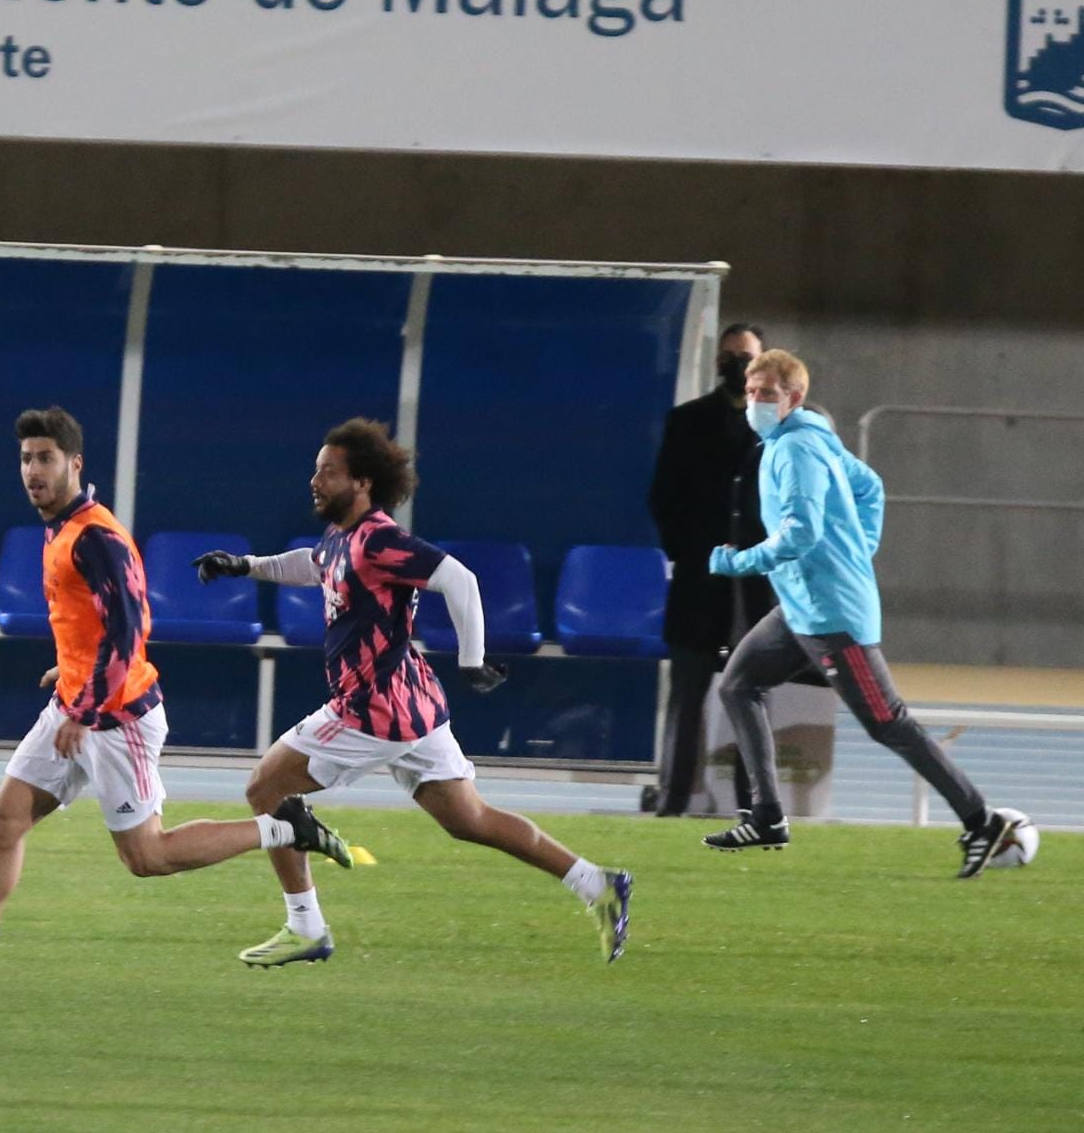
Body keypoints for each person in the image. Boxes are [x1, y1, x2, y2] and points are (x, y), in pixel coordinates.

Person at [0, 406, 353, 1001]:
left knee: (148, 857)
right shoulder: (62, 528)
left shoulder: (98, 537)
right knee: (4, 820)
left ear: (75, 463)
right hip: (76, 704)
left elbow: (130, 628)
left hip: (116, 720)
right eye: (26, 459)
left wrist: (85, 706)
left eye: (45, 458)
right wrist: (72, 669)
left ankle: (282, 826)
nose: (33, 470)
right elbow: (93, 624)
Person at [194, 417, 633, 965]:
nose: (316, 481)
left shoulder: (380, 538)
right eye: (316, 471)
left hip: (370, 709)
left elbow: (460, 579)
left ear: (363, 483)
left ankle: (306, 926)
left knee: (264, 788)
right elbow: (313, 565)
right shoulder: (341, 538)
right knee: (468, 820)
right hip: (413, 704)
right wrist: (245, 566)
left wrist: (472, 659)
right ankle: (596, 882)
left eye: (329, 472)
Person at [702, 352, 1020, 878]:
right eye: (751, 391)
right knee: (738, 686)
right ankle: (766, 816)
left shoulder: (797, 449)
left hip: (832, 617)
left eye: (767, 394)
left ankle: (981, 822)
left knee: (889, 723)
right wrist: (860, 547)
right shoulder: (804, 437)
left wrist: (740, 561)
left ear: (794, 397)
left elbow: (800, 534)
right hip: (801, 609)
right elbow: (870, 485)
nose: (754, 401)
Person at [646, 322, 772, 817]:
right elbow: (662, 499)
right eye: (729, 355)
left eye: (745, 355)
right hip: (698, 582)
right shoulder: (686, 421)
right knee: (687, 695)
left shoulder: (779, 427)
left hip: (757, 588)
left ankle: (753, 806)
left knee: (749, 697)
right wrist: (691, 552)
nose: (736, 363)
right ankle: (674, 799)